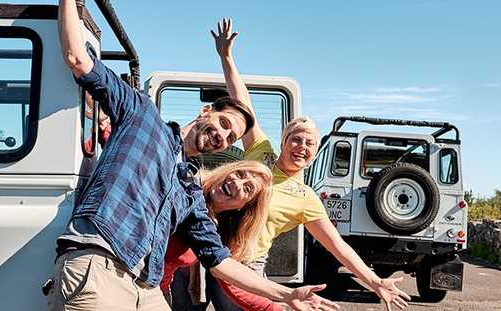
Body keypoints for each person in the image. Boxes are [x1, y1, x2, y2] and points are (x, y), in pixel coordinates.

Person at [49, 1, 340, 311]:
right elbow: (78, 59)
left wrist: (284, 296)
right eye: (224, 124)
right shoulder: (142, 115)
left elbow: (219, 261)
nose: (222, 137)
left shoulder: (187, 187)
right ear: (206, 111)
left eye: (230, 138)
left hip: (143, 283)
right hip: (101, 262)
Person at [207, 18, 412, 311]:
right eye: (296, 139)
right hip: (209, 249)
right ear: (283, 141)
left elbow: (338, 247)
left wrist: (375, 281)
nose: (301, 147)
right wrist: (226, 57)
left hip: (247, 268)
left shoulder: (306, 199)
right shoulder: (260, 153)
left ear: (315, 153)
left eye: (309, 144)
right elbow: (243, 102)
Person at [160, 160, 272, 297]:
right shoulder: (188, 186)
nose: (237, 183)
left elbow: (229, 279)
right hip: (133, 279)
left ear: (245, 206)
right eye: (239, 174)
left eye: (247, 188)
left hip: (157, 290)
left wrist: (287, 298)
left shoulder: (221, 230)